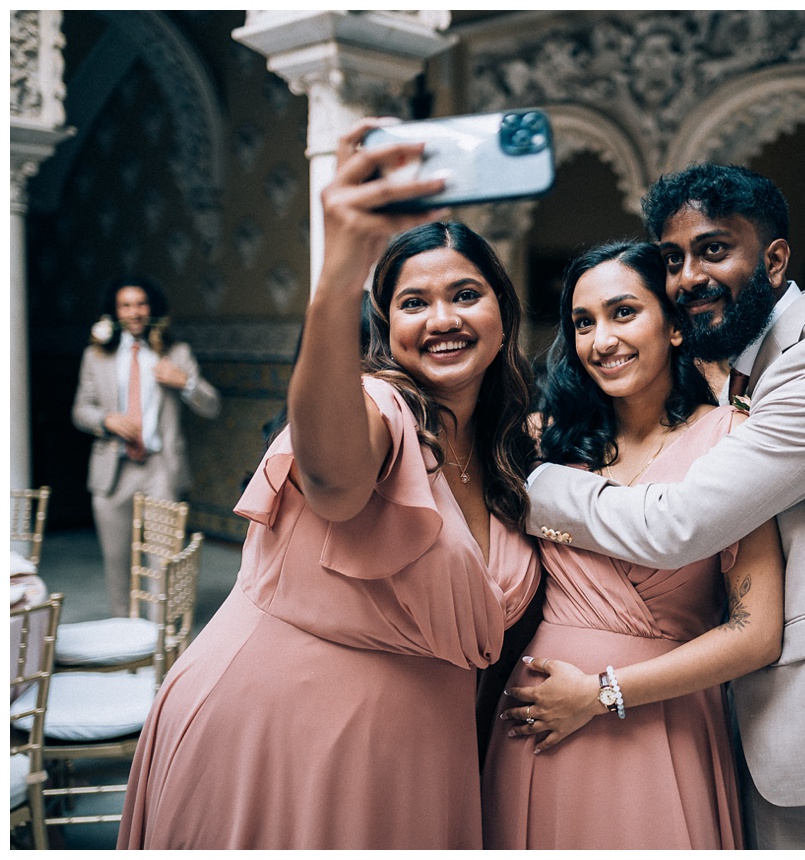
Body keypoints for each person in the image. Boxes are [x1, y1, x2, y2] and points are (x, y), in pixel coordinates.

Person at [117, 120, 541, 849]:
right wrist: (339, 274)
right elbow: (331, 479)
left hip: (416, 753)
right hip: (276, 733)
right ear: (386, 327)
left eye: (466, 294)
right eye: (413, 303)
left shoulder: (514, 452)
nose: (441, 319)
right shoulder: (380, 408)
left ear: (503, 316)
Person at [522, 163, 805, 849]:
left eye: (714, 249)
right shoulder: (753, 366)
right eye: (674, 259)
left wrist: (527, 482)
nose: (688, 278)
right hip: (738, 718)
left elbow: (676, 526)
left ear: (774, 258)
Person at [482, 241, 785, 849]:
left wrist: (599, 694)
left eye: (624, 313)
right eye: (583, 322)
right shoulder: (546, 440)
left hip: (661, 718)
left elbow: (758, 632)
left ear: (675, 326)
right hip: (536, 722)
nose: (601, 341)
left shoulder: (732, 440)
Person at [72, 276, 221, 617]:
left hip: (160, 470)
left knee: (164, 559)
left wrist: (185, 382)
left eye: (141, 304)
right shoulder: (95, 357)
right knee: (117, 562)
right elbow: (80, 410)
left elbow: (212, 405)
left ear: (152, 309)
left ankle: (160, 641)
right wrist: (106, 420)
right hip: (113, 469)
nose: (134, 312)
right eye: (125, 305)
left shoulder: (177, 353)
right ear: (114, 312)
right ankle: (123, 632)